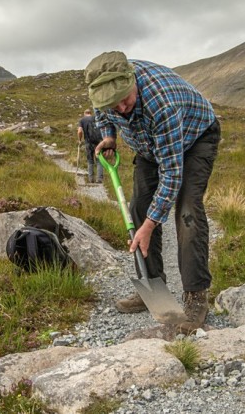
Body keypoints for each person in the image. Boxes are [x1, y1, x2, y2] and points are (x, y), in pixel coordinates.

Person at [84, 51, 221, 334]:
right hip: (147, 146)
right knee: (138, 207)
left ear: (132, 80)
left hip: (194, 138)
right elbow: (102, 113)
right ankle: (154, 289)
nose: (121, 107)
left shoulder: (162, 105)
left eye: (125, 98)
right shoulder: (103, 94)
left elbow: (171, 175)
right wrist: (109, 134)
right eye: (114, 103)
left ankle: (196, 296)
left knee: (187, 211)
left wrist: (149, 226)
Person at [77, 108, 104, 184]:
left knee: (90, 160)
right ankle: (99, 179)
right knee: (99, 160)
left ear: (84, 113)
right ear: (90, 113)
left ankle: (91, 179)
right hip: (99, 142)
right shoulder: (96, 118)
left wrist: (80, 140)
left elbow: (79, 131)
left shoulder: (82, 120)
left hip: (88, 142)